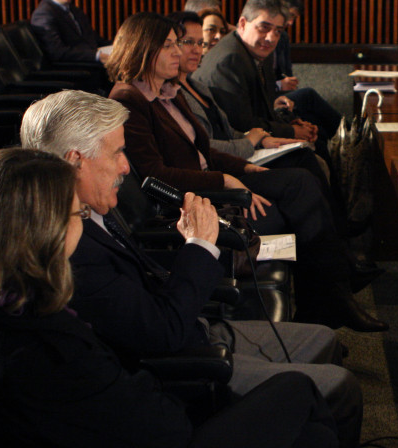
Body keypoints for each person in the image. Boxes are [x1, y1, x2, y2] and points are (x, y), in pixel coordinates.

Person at [20, 90, 365, 446]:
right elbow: (160, 333)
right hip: (182, 365)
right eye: (118, 152)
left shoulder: (91, 207)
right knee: (340, 389)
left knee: (325, 340)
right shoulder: (70, 245)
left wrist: (195, 243)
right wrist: (199, 246)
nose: (126, 166)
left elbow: (145, 281)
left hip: (195, 329)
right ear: (76, 160)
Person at [0, 147, 339, 447]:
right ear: (44, 232)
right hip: (166, 423)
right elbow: (156, 423)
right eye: (76, 215)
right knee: (299, 393)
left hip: (148, 398)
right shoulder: (42, 341)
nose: (83, 223)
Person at [105, 13, 385, 333]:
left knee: (302, 183)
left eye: (176, 44)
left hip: (211, 183)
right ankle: (332, 303)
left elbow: (203, 150)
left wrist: (243, 166)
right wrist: (225, 179)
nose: (178, 53)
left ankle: (327, 307)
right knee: (300, 194)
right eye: (168, 46)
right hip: (191, 204)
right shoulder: (129, 98)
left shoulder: (167, 91)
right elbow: (154, 176)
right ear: (143, 48)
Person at [190, 0, 321, 148]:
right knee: (308, 160)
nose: (271, 38)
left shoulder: (258, 52)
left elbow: (262, 110)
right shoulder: (230, 60)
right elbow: (242, 124)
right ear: (243, 24)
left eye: (278, 31)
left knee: (320, 138)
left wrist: (292, 124)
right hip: (230, 149)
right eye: (264, 28)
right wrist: (291, 131)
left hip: (255, 137)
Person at [271, 0, 343, 140]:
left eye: (294, 18)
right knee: (308, 94)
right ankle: (351, 134)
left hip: (282, 94)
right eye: (290, 16)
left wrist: (288, 82)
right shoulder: (260, 39)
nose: (290, 22)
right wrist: (279, 84)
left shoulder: (282, 37)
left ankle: (345, 142)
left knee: (318, 128)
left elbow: (286, 72)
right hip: (271, 96)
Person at [30, 0, 110, 64]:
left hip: (90, 63)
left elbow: (94, 40)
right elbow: (57, 52)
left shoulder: (74, 10)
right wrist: (97, 56)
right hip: (73, 70)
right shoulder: (43, 15)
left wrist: (117, 47)